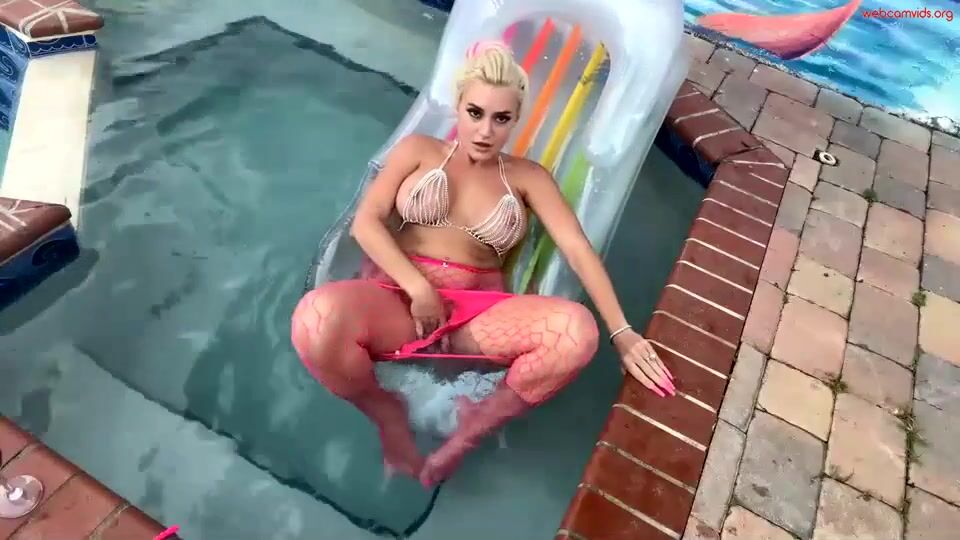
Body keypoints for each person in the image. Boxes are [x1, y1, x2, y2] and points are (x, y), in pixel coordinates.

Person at [291, 40, 675, 488]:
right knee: (315, 322)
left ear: (516, 119)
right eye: (475, 113)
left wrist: (622, 332)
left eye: (501, 118)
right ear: (458, 105)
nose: (485, 131)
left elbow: (577, 249)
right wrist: (418, 288)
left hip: (477, 316)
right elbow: (366, 223)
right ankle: (387, 416)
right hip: (397, 300)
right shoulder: (419, 150)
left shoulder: (528, 178)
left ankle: (467, 435)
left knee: (576, 334)